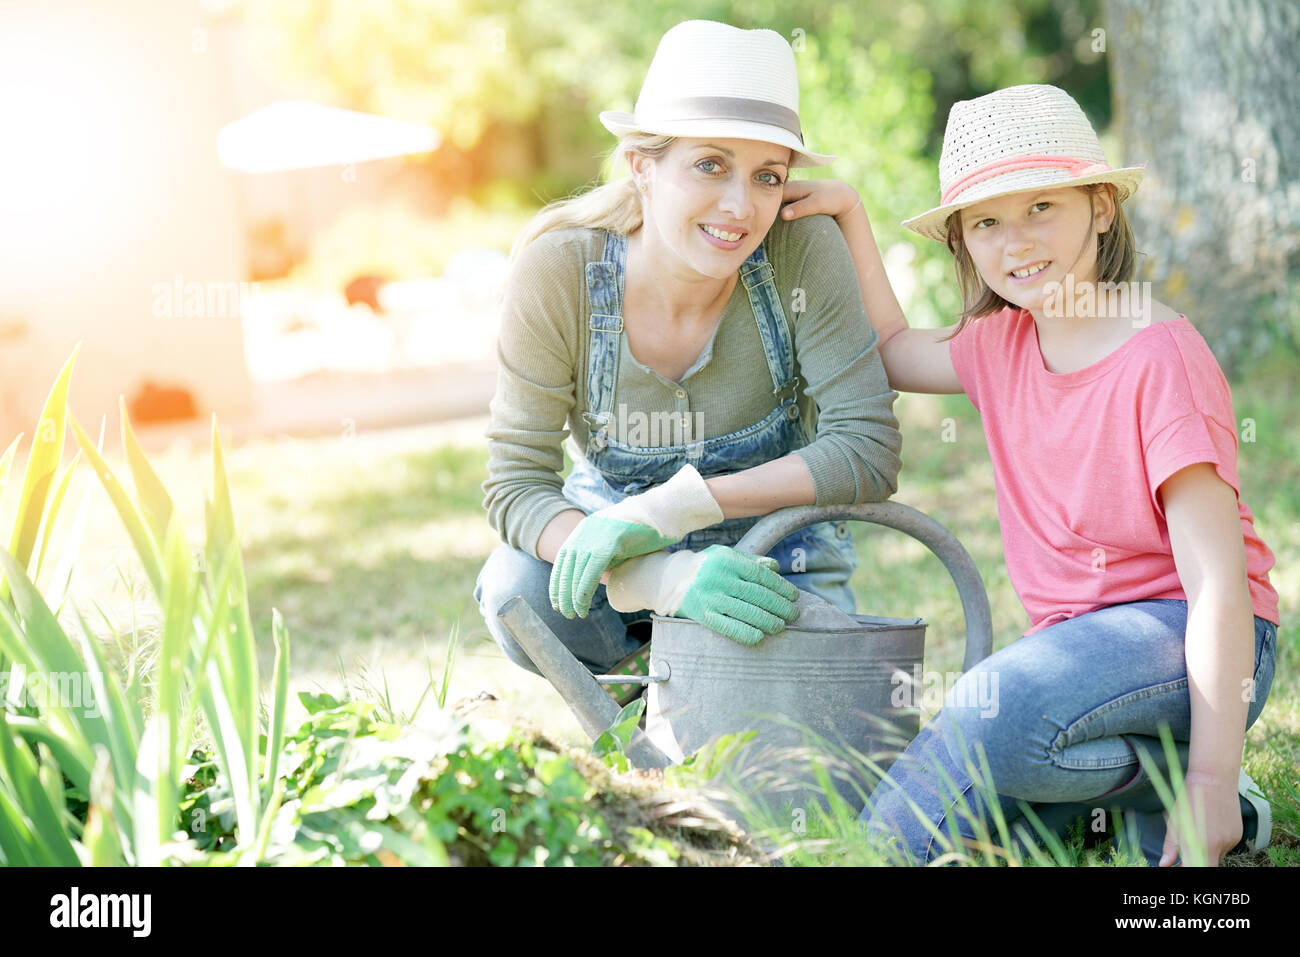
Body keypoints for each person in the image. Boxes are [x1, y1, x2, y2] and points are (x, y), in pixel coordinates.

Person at [782, 84, 1280, 866]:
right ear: (963, 243)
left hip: (1197, 634)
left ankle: (1206, 785)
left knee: (997, 708)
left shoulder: (1159, 359)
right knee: (951, 797)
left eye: (1041, 206)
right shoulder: (1001, 343)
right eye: (986, 221)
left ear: (1103, 206)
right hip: (1077, 652)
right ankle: (1142, 793)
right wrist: (849, 215)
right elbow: (890, 350)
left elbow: (1217, 582)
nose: (1016, 242)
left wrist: (1216, 771)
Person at [474, 20, 902, 696]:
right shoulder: (560, 271)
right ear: (642, 166)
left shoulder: (799, 250)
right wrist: (658, 572)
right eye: (710, 164)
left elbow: (868, 449)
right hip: (619, 565)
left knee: (795, 752)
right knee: (516, 587)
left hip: (775, 562)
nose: (740, 206)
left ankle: (694, 699)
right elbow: (514, 483)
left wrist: (672, 509)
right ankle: (646, 691)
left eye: (768, 175)